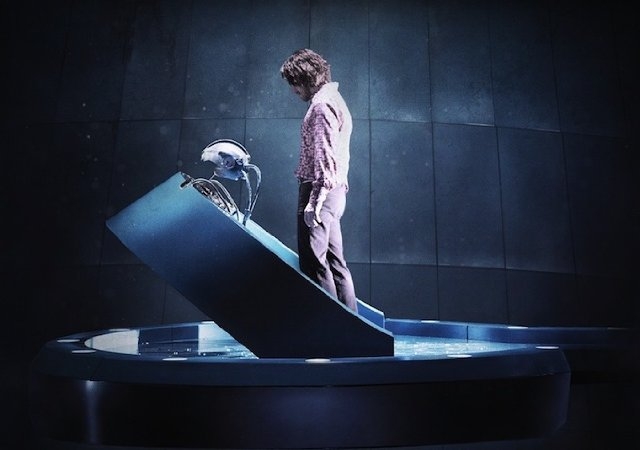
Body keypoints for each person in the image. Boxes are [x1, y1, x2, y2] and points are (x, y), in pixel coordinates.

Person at [280, 48, 358, 313]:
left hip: (319, 191)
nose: (293, 90)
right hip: (335, 192)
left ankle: (328, 328)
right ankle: (350, 329)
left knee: (314, 264)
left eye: (294, 83)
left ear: (305, 78)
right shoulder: (335, 99)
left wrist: (314, 202)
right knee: (336, 265)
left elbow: (325, 157)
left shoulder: (322, 105)